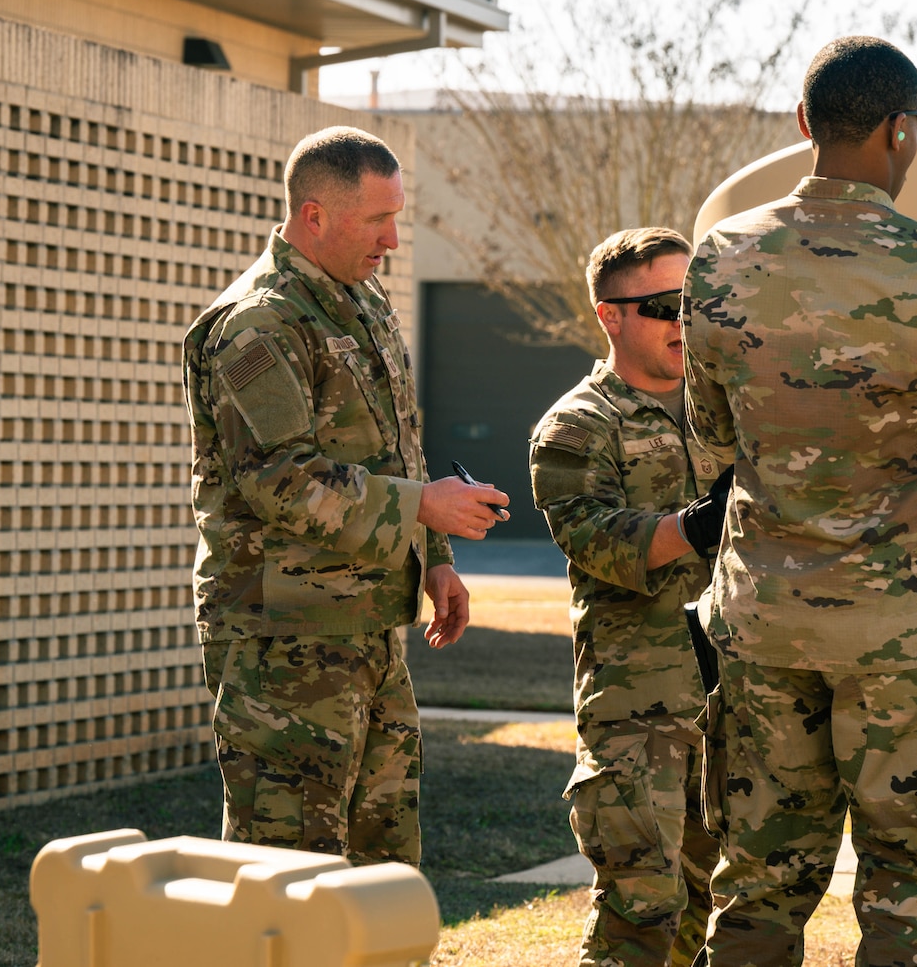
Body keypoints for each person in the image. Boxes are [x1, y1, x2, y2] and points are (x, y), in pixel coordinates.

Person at [681, 36, 917, 967]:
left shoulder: (719, 258)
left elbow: (712, 434)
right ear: (902, 132)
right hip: (916, 636)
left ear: (806, 124)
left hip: (766, 624)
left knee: (759, 886)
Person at [183, 125, 509, 861]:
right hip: (283, 644)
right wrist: (421, 506)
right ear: (315, 216)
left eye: (397, 217)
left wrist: (435, 557)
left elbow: (397, 442)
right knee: (289, 872)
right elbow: (279, 478)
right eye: (378, 219)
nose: (392, 239)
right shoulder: (259, 323)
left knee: (381, 869)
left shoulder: (359, 302)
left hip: (365, 627)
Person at [530, 227, 730, 967]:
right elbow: (599, 541)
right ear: (610, 314)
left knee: (714, 914)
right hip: (638, 712)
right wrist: (699, 524)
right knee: (640, 917)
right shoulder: (577, 426)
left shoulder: (722, 410)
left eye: (695, 302)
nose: (685, 320)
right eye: (663, 305)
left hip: (729, 701)